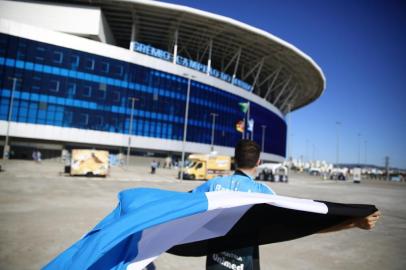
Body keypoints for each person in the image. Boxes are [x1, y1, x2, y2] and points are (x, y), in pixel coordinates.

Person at [192, 139, 380, 270]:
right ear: (259, 162)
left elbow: (180, 207)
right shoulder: (263, 193)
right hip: (245, 264)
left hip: (214, 264)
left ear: (235, 160)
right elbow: (301, 224)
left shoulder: (212, 185)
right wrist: (354, 222)